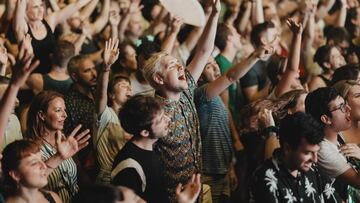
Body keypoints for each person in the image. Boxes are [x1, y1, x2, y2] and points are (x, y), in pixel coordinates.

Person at [140, 0, 220, 200]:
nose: (181, 68)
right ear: (159, 79)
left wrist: (214, 15)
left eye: (180, 64)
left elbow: (203, 51)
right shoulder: (154, 113)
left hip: (197, 187)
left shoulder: (186, 90)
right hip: (173, 196)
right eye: (172, 66)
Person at [194, 45, 272, 202]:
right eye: (208, 66)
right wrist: (254, 56)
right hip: (208, 173)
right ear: (199, 76)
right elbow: (230, 77)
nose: (215, 66)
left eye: (215, 63)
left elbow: (222, 135)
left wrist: (229, 168)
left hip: (222, 170)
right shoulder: (201, 94)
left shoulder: (217, 97)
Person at [251, 112, 342, 203]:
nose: (315, 160)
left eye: (316, 152)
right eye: (307, 152)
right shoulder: (265, 178)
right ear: (287, 148)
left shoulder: (314, 171)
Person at [25, 90, 91, 203]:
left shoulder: (65, 140)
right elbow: (28, 185)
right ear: (42, 115)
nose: (65, 115)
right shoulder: (30, 148)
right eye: (58, 110)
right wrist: (58, 157)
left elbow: (80, 175)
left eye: (64, 110)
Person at [111, 95, 170, 202]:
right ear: (145, 132)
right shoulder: (129, 168)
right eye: (161, 119)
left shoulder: (151, 147)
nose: (168, 119)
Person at [305, 87, 360, 201]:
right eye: (341, 107)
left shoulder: (336, 135)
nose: (348, 108)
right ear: (326, 119)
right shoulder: (323, 150)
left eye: (345, 103)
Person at [12, 0, 91, 73]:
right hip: (34, 78)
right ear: (25, 12)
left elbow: (76, 5)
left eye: (41, 5)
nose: (41, 10)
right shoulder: (23, 30)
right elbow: (20, 5)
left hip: (54, 74)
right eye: (35, 7)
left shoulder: (49, 21)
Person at [94, 38, 132, 184]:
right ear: (111, 94)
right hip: (106, 180)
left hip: (126, 177)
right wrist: (106, 67)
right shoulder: (105, 114)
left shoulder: (131, 119)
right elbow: (100, 94)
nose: (129, 88)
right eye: (123, 85)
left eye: (130, 87)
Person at [64, 54, 97, 179]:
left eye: (94, 68)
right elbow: (67, 138)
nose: (94, 74)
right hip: (85, 165)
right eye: (87, 71)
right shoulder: (70, 103)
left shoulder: (97, 91)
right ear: (74, 76)